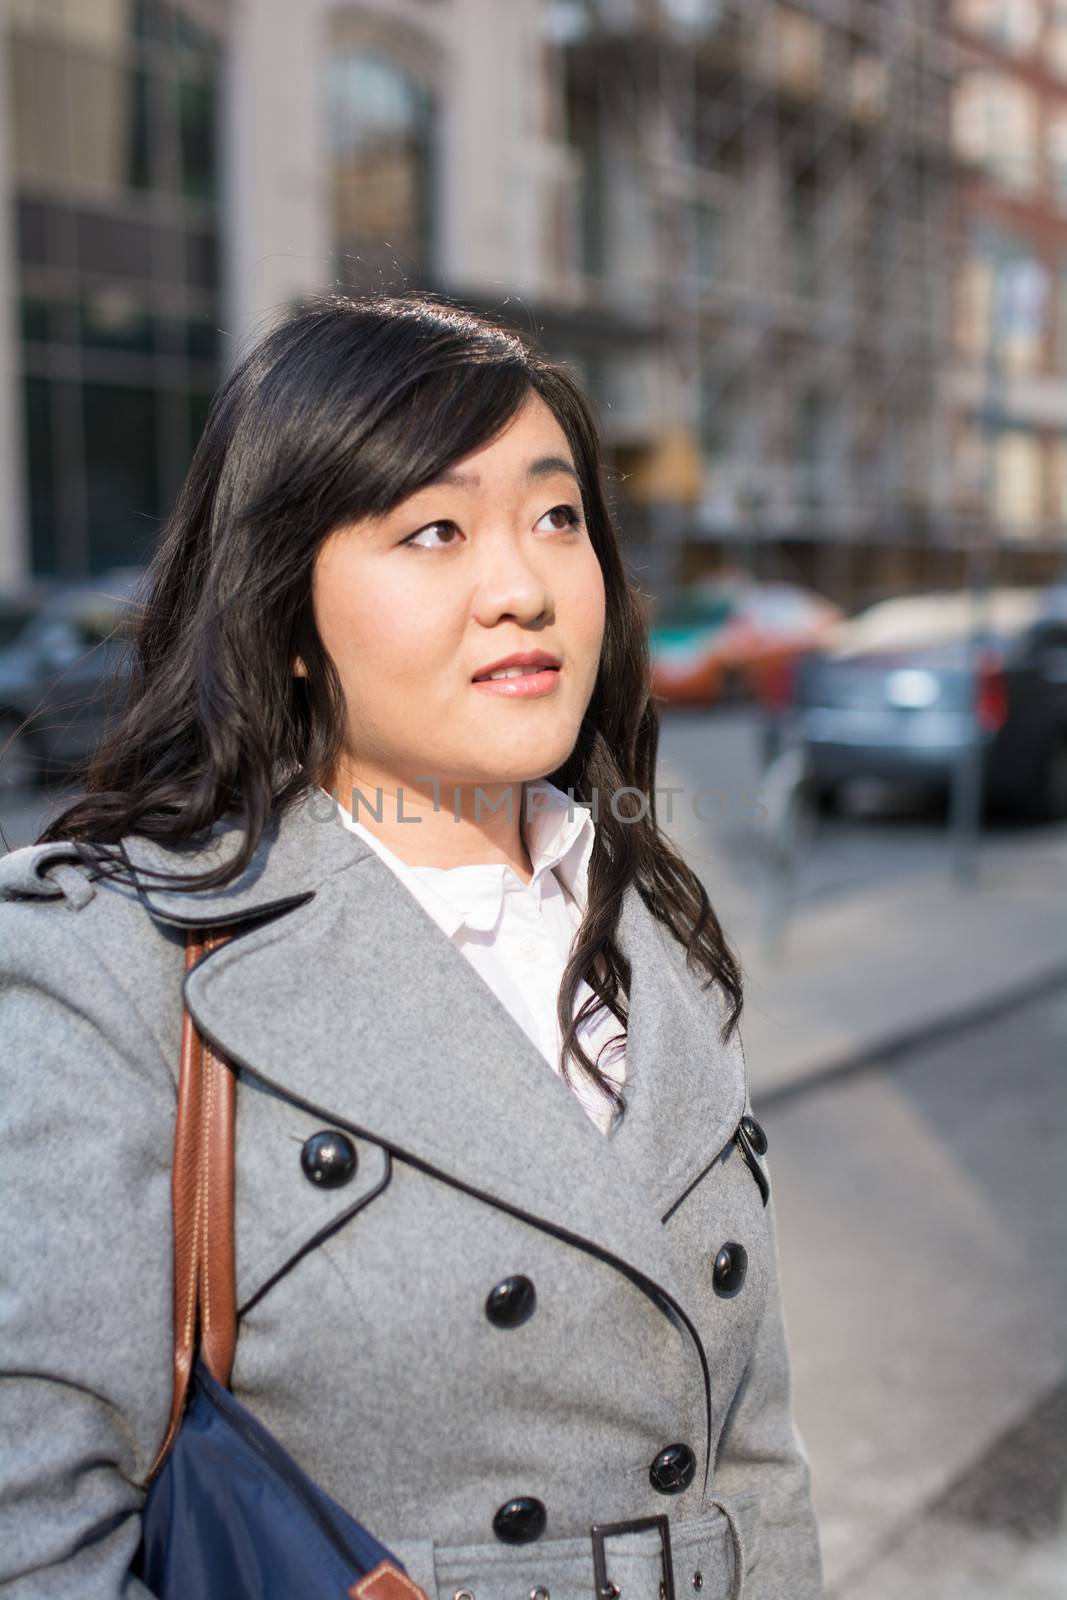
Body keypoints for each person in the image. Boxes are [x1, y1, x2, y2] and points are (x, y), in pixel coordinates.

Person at [0, 292, 824, 1599]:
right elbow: (34, 1535)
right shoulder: (118, 960)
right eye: (434, 530)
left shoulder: (641, 912)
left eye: (557, 517)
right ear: (283, 610)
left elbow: (754, 1465)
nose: (522, 587)